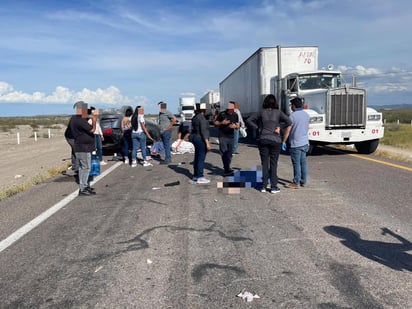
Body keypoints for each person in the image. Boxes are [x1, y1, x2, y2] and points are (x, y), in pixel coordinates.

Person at [247, 94, 291, 193]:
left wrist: (257, 128)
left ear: (265, 102)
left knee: (264, 163)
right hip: (276, 140)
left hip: (263, 138)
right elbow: (289, 121)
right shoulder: (278, 113)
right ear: (275, 102)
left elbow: (249, 120)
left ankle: (263, 186)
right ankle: (274, 186)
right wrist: (279, 126)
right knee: (273, 163)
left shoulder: (261, 112)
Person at [69, 101, 98, 196]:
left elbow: (84, 120)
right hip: (83, 148)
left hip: (80, 147)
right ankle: (83, 188)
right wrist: (94, 119)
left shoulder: (74, 119)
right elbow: (92, 130)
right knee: (86, 168)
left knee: (82, 168)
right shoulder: (80, 120)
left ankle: (84, 186)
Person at [287, 96, 310, 188]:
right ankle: (303, 181)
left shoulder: (292, 116)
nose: (291, 107)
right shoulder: (306, 115)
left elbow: (288, 130)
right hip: (305, 142)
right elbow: (307, 128)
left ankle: (296, 182)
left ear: (294, 106)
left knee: (296, 163)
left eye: (291, 105)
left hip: (295, 143)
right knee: (303, 162)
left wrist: (284, 141)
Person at [214, 101, 239, 176]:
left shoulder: (235, 115)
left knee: (230, 154)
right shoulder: (222, 114)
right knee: (224, 153)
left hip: (231, 137)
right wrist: (222, 123)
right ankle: (227, 168)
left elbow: (238, 126)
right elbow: (215, 123)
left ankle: (227, 166)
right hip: (223, 136)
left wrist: (236, 127)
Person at [189, 103, 211, 184]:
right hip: (200, 139)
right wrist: (207, 143)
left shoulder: (194, 117)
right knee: (201, 158)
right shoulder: (201, 118)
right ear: (202, 109)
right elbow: (203, 131)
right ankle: (200, 176)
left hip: (195, 138)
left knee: (197, 157)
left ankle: (195, 175)